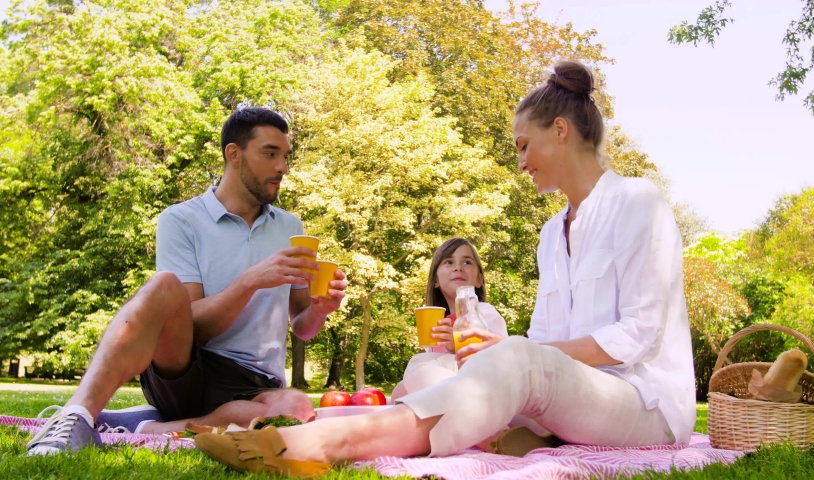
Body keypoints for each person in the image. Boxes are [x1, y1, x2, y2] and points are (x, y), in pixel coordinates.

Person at [194, 60, 696, 478]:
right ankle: (276, 429)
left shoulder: (639, 203)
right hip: (568, 397)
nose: (520, 161)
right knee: (433, 366)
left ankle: (323, 445)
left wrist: (517, 356)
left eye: (524, 144)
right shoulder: (550, 234)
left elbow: (638, 336)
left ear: (560, 132)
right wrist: (491, 356)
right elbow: (542, 336)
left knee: (516, 360)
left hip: (644, 404)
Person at [25, 108, 348, 456]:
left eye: (285, 157)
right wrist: (250, 282)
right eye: (270, 154)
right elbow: (192, 323)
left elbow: (302, 326)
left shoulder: (290, 227)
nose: (282, 167)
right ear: (234, 154)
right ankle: (76, 415)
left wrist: (319, 310)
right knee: (164, 284)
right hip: (187, 369)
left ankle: (146, 426)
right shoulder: (181, 220)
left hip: (257, 384)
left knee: (297, 411)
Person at [390, 238, 508, 402]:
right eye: (449, 262)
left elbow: (501, 359)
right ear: (436, 281)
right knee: (400, 391)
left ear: (480, 280)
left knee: (419, 365)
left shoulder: (483, 312)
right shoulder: (439, 324)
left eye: (467, 262)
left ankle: (468, 405)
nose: (458, 267)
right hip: (452, 390)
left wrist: (457, 345)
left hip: (485, 387)